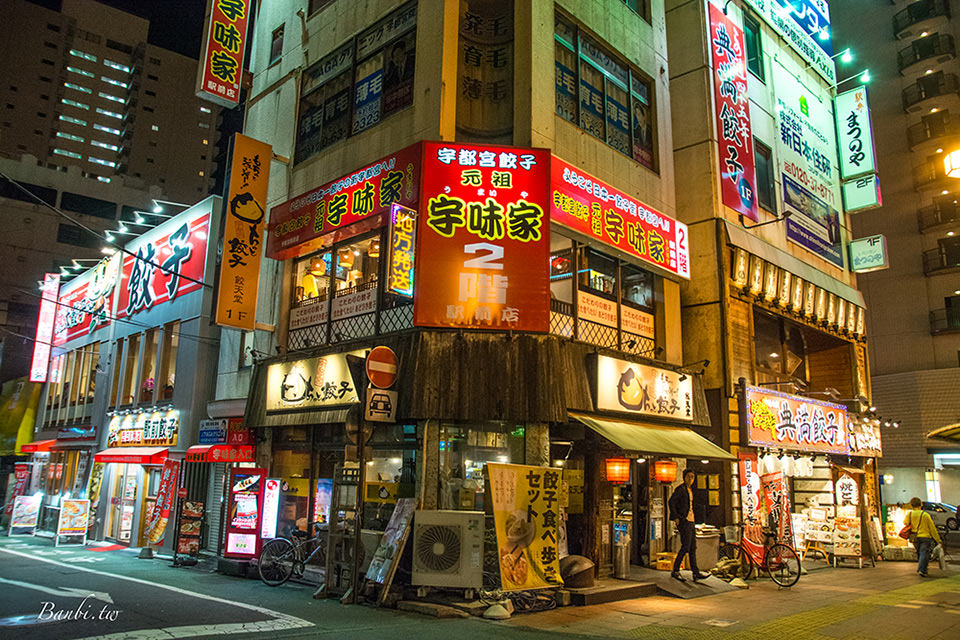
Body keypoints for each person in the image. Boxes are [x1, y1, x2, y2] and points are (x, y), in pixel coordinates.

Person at [669, 468, 709, 582]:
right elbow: (671, 502)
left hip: (691, 521)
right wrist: (676, 517)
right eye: (689, 477)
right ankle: (675, 570)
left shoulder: (691, 490)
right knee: (686, 546)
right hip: (684, 521)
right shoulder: (680, 490)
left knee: (692, 547)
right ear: (684, 477)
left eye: (692, 477)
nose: (691, 479)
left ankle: (695, 573)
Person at [906, 496, 941, 577]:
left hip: (915, 537)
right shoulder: (925, 515)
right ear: (921, 504)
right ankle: (922, 569)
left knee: (920, 553)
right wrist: (938, 540)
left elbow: (906, 522)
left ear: (911, 505)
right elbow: (932, 528)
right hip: (925, 537)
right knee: (924, 553)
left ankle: (923, 569)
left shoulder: (910, 514)